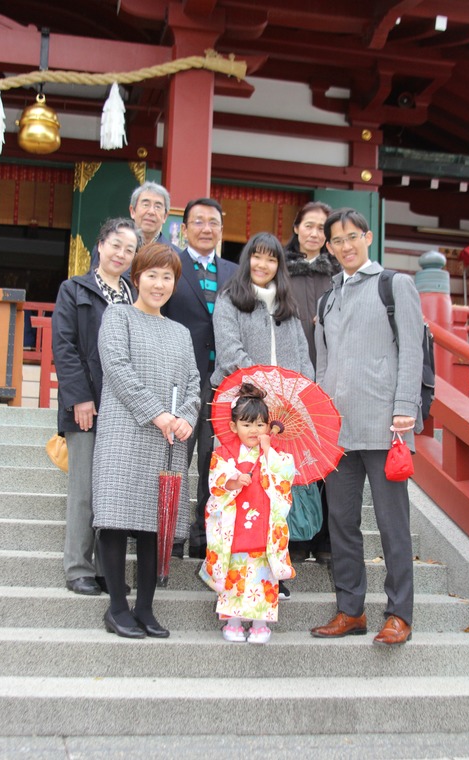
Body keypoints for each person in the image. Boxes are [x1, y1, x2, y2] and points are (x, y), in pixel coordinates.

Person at [309, 207, 424, 647]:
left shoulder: (394, 285)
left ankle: (399, 613)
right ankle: (350, 609)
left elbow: (411, 351)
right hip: (338, 429)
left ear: (368, 237)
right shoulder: (328, 296)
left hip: (385, 423)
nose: (345, 247)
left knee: (392, 522)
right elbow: (323, 365)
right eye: (336, 241)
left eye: (352, 237)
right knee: (341, 521)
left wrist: (404, 408)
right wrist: (316, 418)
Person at [92, 243, 201, 639]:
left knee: (157, 523)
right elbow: (117, 368)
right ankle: (118, 607)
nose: (159, 284)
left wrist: (187, 417)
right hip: (127, 431)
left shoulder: (181, 331)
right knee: (118, 519)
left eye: (167, 276)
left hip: (169, 439)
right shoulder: (117, 316)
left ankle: (146, 608)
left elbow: (194, 381)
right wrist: (158, 413)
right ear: (136, 278)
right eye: (151, 275)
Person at [210, 231, 313, 598]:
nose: (263, 265)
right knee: (240, 489)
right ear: (247, 259)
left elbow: (302, 358)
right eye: (257, 256)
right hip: (243, 408)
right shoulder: (230, 300)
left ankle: (273, 571)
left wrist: (300, 394)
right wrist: (265, 386)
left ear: (279, 266)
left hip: (281, 415)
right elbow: (229, 351)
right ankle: (225, 568)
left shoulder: (287, 307)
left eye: (271, 259)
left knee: (274, 492)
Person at [52, 218, 139, 597]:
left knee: (114, 491)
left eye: (129, 249)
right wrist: (80, 398)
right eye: (116, 245)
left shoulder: (135, 295)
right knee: (85, 490)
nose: (121, 254)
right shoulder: (74, 290)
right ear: (100, 246)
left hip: (125, 409)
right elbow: (65, 347)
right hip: (87, 405)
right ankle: (78, 567)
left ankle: (108, 568)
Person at [162, 197, 238, 559]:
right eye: (199, 222)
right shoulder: (169, 265)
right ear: (185, 227)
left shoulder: (235, 272)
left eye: (213, 223)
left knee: (214, 458)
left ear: (221, 229)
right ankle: (171, 534)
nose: (206, 229)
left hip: (223, 382)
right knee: (176, 455)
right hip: (180, 378)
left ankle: (204, 534)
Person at [199, 382, 296, 644]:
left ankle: (260, 623)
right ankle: (232, 621)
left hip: (263, 525)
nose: (254, 430)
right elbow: (216, 483)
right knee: (235, 573)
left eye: (260, 424)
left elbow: (286, 476)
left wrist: (268, 454)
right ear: (233, 427)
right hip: (235, 524)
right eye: (247, 424)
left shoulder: (275, 454)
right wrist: (233, 481)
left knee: (262, 575)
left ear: (268, 426)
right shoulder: (224, 454)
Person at [282, 200, 339, 566]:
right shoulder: (280, 269)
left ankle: (327, 539)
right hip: (291, 378)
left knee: (329, 459)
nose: (315, 233)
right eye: (309, 226)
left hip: (332, 375)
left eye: (322, 228)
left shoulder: (338, 273)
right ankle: (297, 536)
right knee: (294, 458)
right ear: (297, 227)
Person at [88, 181, 173, 271]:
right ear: (132, 211)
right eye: (145, 205)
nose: (151, 212)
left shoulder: (175, 255)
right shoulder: (106, 248)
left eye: (157, 207)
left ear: (165, 216)